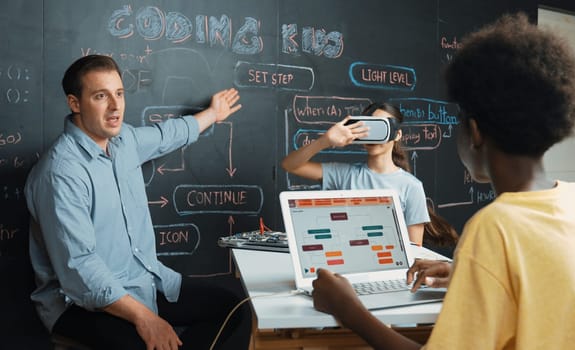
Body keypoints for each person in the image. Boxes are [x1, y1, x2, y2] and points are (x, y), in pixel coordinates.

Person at [311, 13, 575, 349]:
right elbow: (550, 295)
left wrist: (347, 308)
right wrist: (465, 274)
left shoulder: (494, 227)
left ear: (474, 131)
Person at [25, 55, 249, 350]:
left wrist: (212, 114)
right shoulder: (61, 174)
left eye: (119, 93)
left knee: (232, 309)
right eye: (100, 96)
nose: (116, 106)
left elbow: (166, 135)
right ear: (75, 103)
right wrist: (146, 318)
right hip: (79, 303)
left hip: (140, 281)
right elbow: (80, 268)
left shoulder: (123, 141)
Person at [281, 102, 430, 245]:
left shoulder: (412, 187)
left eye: (380, 128)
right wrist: (325, 141)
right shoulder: (344, 175)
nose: (372, 136)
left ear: (397, 135)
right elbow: (290, 165)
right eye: (367, 129)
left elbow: (415, 249)